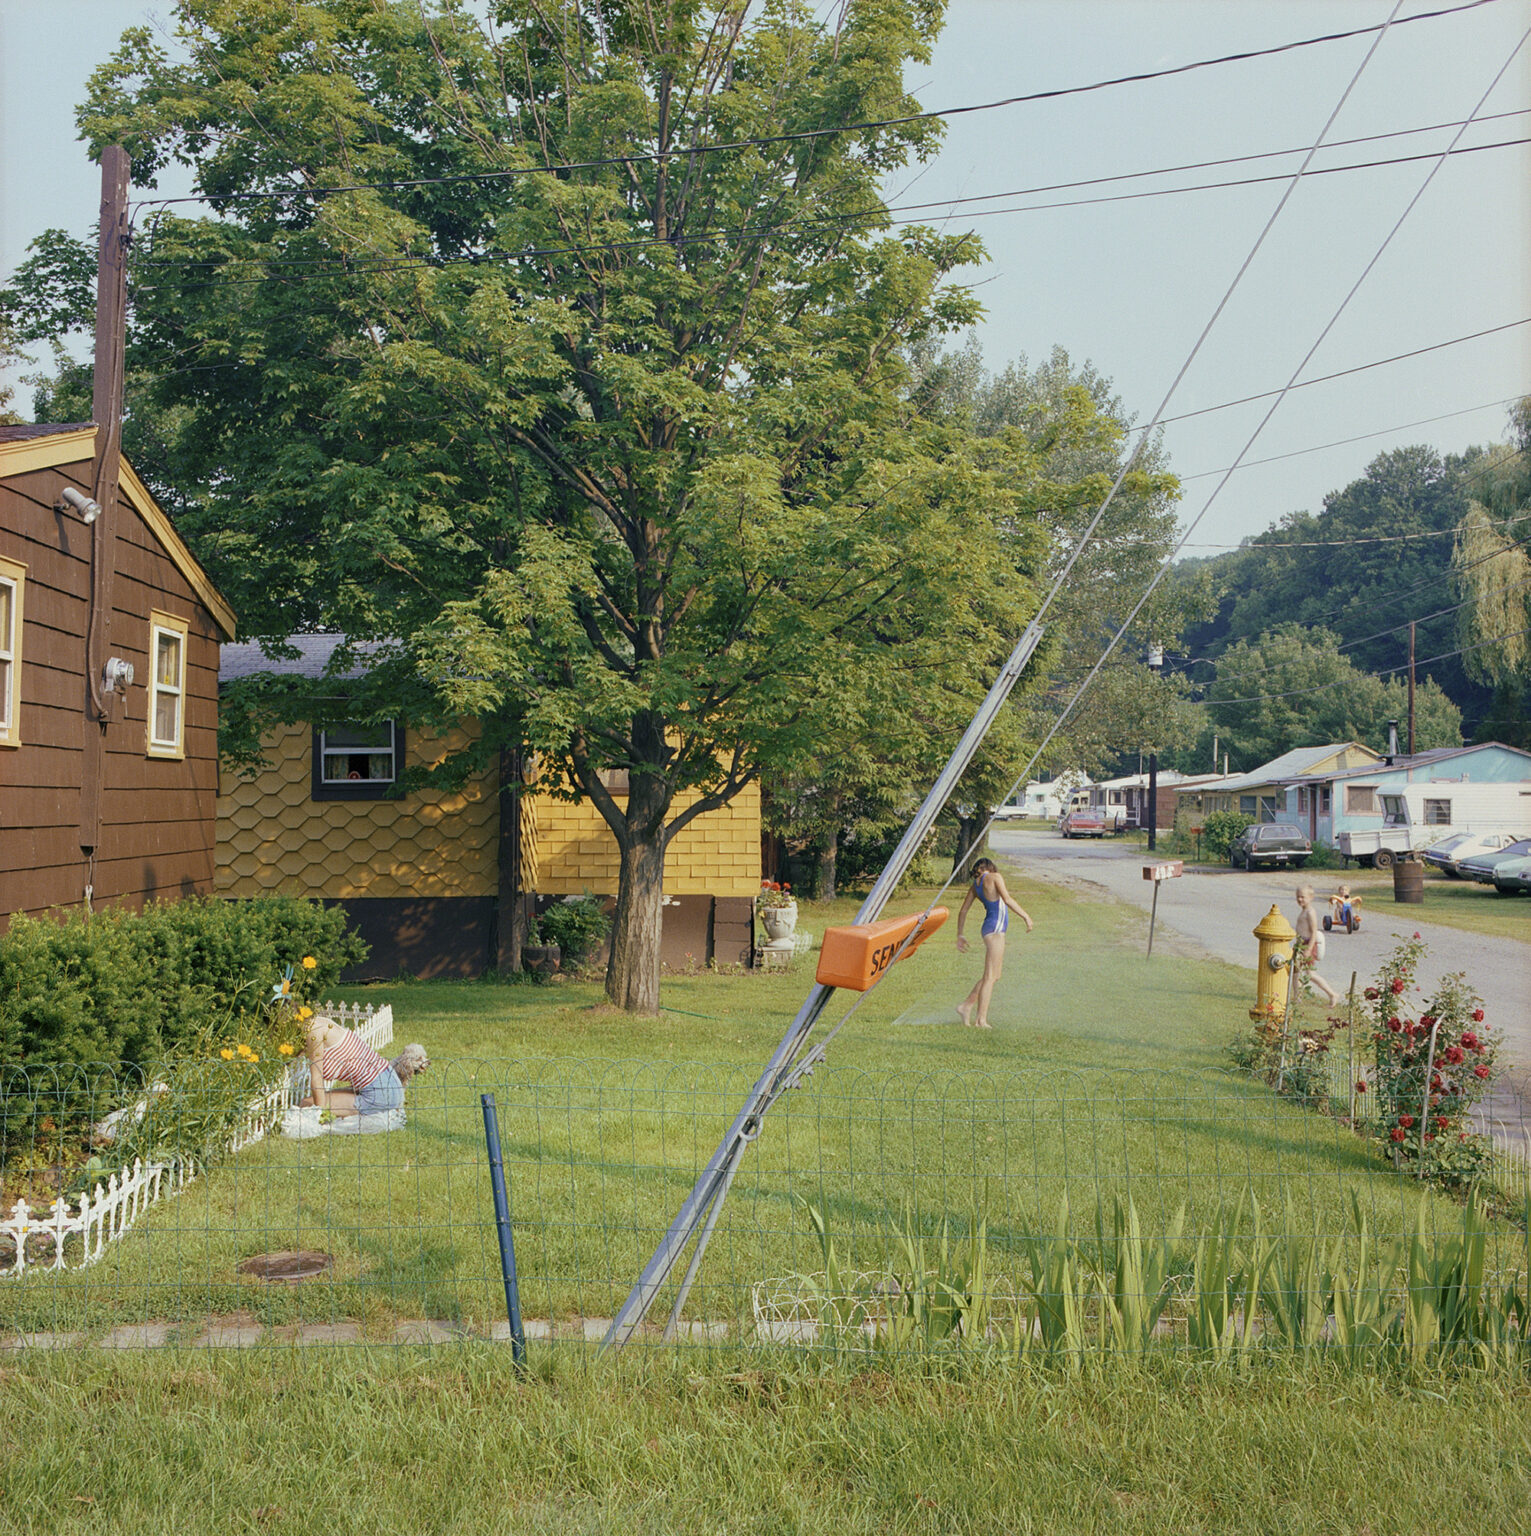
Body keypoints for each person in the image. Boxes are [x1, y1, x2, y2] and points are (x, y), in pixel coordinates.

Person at [955, 857, 1033, 1028]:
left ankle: (966, 1006)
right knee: (990, 976)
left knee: (994, 975)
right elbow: (1007, 899)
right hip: (996, 929)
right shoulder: (995, 877)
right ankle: (980, 1020)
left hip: (989, 928)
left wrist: (960, 934)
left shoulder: (975, 886)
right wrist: (1026, 916)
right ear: (990, 867)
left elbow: (963, 911)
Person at [300, 1013, 405, 1120]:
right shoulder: (319, 1023)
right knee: (320, 1100)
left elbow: (317, 1079)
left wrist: (320, 1115)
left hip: (380, 1094)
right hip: (390, 1083)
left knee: (306, 1103)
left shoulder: (313, 1030)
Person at [1293, 885, 1340, 1008]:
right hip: (1300, 945)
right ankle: (1297, 998)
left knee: (1309, 974)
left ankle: (1332, 994)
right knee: (1296, 972)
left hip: (1307, 945)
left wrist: (1309, 949)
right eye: (1298, 897)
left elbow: (1314, 931)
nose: (1300, 899)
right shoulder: (1304, 911)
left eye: (1302, 897)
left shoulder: (1310, 912)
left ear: (1311, 897)